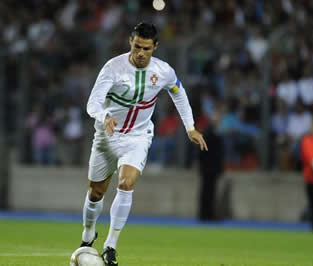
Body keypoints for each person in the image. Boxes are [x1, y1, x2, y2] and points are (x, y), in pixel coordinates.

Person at [80, 22, 207, 265]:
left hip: (137, 137)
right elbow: (92, 103)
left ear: (155, 47)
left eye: (146, 48)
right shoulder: (113, 68)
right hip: (107, 137)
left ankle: (110, 246)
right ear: (130, 41)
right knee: (95, 192)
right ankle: (88, 233)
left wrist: (190, 127)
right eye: (137, 46)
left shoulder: (164, 71)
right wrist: (103, 116)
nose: (140, 53)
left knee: (126, 183)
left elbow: (178, 92)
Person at [197, 112, 224, 221]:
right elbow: (209, 153)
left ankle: (205, 213)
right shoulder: (211, 134)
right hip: (210, 168)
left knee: (207, 191)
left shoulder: (208, 133)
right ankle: (207, 214)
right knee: (209, 192)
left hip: (208, 168)